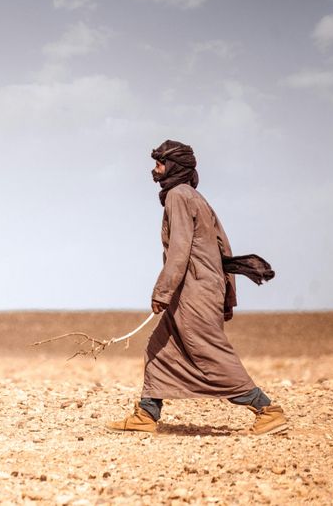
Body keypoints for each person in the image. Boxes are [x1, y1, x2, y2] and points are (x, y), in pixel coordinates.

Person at [106, 140, 288, 436]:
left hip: (193, 290)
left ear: (174, 166)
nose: (155, 170)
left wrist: (162, 292)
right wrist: (226, 293)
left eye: (159, 163)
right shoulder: (193, 196)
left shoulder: (179, 196)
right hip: (196, 288)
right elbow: (221, 246)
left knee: (209, 352)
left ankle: (267, 410)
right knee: (159, 348)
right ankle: (146, 414)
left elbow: (179, 249)